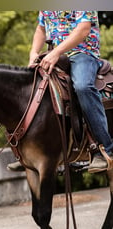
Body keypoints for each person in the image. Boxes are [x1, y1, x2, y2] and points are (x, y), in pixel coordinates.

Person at [8, 11, 113, 173]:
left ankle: (104, 148)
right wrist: (33, 53)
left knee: (82, 87)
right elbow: (41, 29)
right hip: (54, 55)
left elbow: (83, 29)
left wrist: (56, 53)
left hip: (82, 54)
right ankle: (29, 151)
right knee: (28, 88)